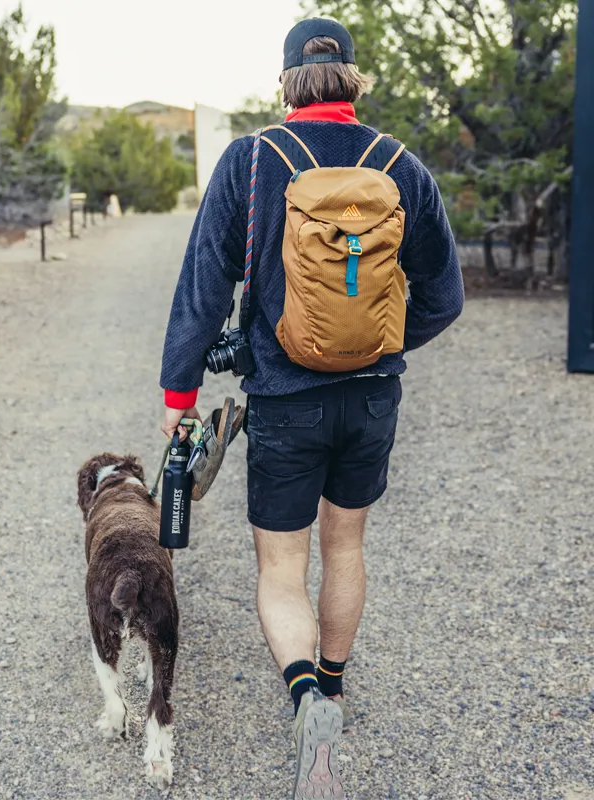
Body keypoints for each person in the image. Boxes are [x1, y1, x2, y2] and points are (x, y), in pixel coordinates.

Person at [159, 17, 463, 799]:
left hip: (284, 398)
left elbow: (203, 288)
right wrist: (382, 344)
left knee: (282, 567)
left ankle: (305, 699)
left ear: (287, 82)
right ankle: (334, 682)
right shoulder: (401, 164)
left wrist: (179, 397)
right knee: (347, 548)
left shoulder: (251, 160)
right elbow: (445, 296)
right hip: (372, 398)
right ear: (354, 80)